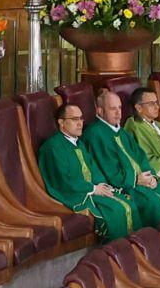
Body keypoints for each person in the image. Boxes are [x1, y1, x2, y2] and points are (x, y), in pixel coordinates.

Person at [82, 89, 160, 228]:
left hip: (142, 181)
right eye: (112, 109)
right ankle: (153, 245)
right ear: (100, 111)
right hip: (125, 186)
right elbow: (109, 169)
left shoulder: (120, 131)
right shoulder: (95, 134)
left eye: (119, 108)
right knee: (157, 207)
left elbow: (141, 156)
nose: (118, 113)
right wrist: (136, 179)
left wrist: (151, 177)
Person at [36, 101, 139, 241]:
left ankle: (133, 251)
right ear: (61, 122)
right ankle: (114, 255)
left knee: (129, 204)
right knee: (117, 210)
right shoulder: (53, 147)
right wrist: (93, 188)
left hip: (90, 189)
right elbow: (63, 180)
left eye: (81, 119)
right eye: (74, 119)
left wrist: (102, 185)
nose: (80, 123)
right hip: (76, 194)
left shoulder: (78, 143)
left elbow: (93, 169)